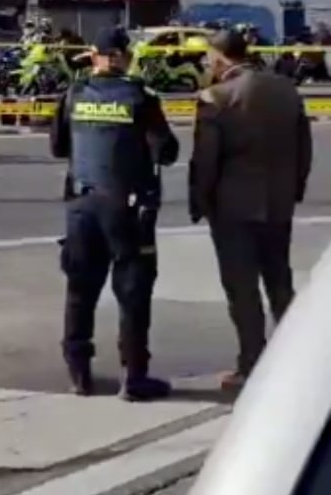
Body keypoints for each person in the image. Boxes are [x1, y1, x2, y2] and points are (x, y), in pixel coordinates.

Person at [49, 26, 180, 401]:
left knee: (79, 290)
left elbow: (59, 147)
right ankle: (134, 377)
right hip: (126, 209)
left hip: (81, 206)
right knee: (133, 292)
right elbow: (165, 152)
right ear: (124, 56)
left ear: (95, 56)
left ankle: (79, 374)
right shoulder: (140, 96)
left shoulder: (73, 94)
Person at [189, 26, 313, 391]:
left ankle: (253, 364)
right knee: (280, 284)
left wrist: (201, 200)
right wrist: (294, 190)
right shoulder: (285, 90)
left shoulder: (215, 96)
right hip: (278, 206)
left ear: (218, 57)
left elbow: (205, 161)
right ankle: (298, 360)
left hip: (233, 210)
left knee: (242, 290)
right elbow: (304, 148)